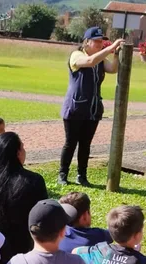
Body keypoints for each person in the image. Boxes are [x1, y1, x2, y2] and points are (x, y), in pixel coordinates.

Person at [58, 27, 124, 186]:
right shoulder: (77, 55)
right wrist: (110, 48)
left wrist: (115, 54)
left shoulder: (100, 57)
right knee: (71, 142)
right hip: (75, 107)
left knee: (85, 143)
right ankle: (62, 174)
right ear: (87, 42)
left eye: (102, 41)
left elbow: (112, 69)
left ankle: (82, 175)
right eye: (97, 41)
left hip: (93, 108)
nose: (100, 44)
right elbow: (89, 61)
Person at [0, 132, 48, 264]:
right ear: (17, 153)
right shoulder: (33, 180)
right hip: (24, 250)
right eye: (22, 147)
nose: (24, 151)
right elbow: (43, 217)